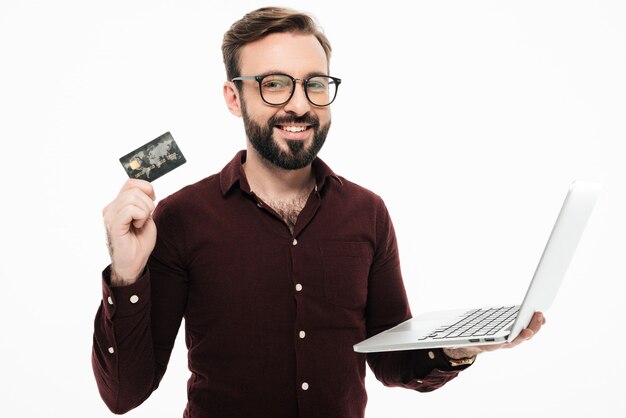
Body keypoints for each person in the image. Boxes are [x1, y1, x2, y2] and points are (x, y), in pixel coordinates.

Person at [92, 6, 545, 418]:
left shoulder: (367, 213)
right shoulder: (181, 217)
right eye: (273, 84)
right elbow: (124, 394)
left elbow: (390, 361)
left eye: (314, 83)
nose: (299, 104)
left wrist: (459, 348)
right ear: (234, 98)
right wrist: (127, 275)